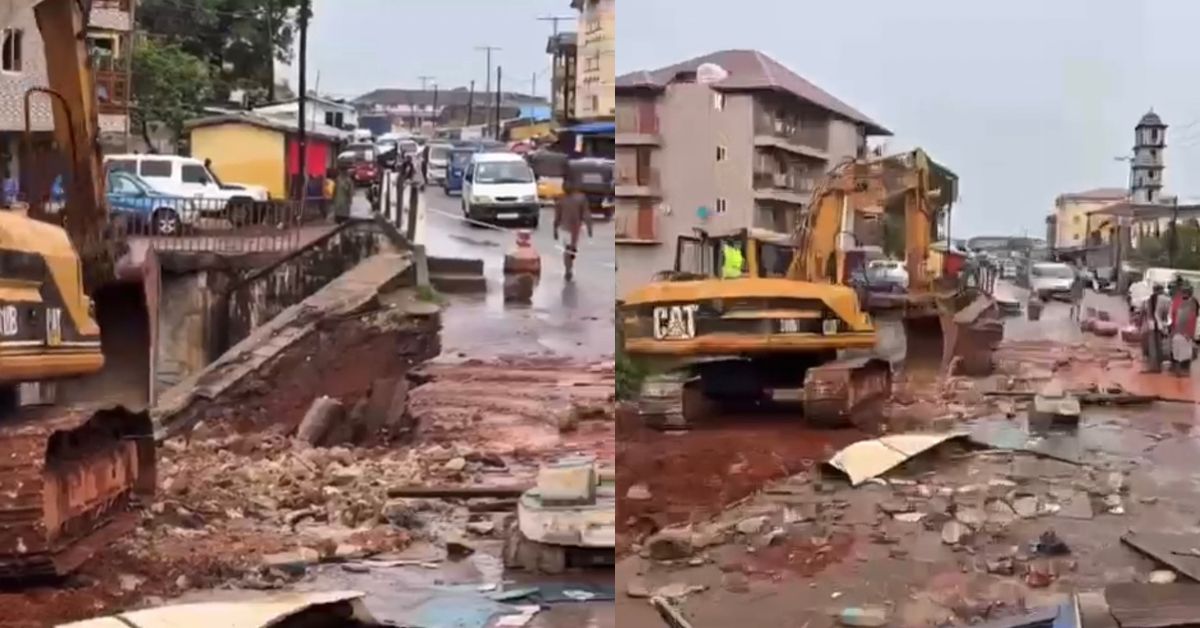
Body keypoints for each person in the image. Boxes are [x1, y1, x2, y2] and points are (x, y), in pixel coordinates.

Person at [552, 181, 593, 281]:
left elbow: (586, 214)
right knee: (567, 250)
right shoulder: (561, 199)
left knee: (571, 251)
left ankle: (570, 259)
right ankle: (568, 269)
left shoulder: (580, 198)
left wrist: (589, 228)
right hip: (565, 229)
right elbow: (557, 216)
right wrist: (555, 229)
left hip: (576, 229)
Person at [1168, 283, 1198, 376]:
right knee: (1181, 352)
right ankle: (1181, 371)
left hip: (1180, 331)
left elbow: (1189, 318)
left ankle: (1179, 370)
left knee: (1180, 352)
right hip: (1182, 332)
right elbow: (1188, 318)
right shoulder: (1189, 303)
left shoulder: (1181, 302)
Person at [1141, 284, 1169, 373]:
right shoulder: (1167, 299)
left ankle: (1154, 367)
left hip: (1152, 325)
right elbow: (1167, 314)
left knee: (1153, 347)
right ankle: (1159, 366)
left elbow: (1145, 313)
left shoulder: (1149, 299)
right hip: (1161, 326)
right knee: (1159, 346)